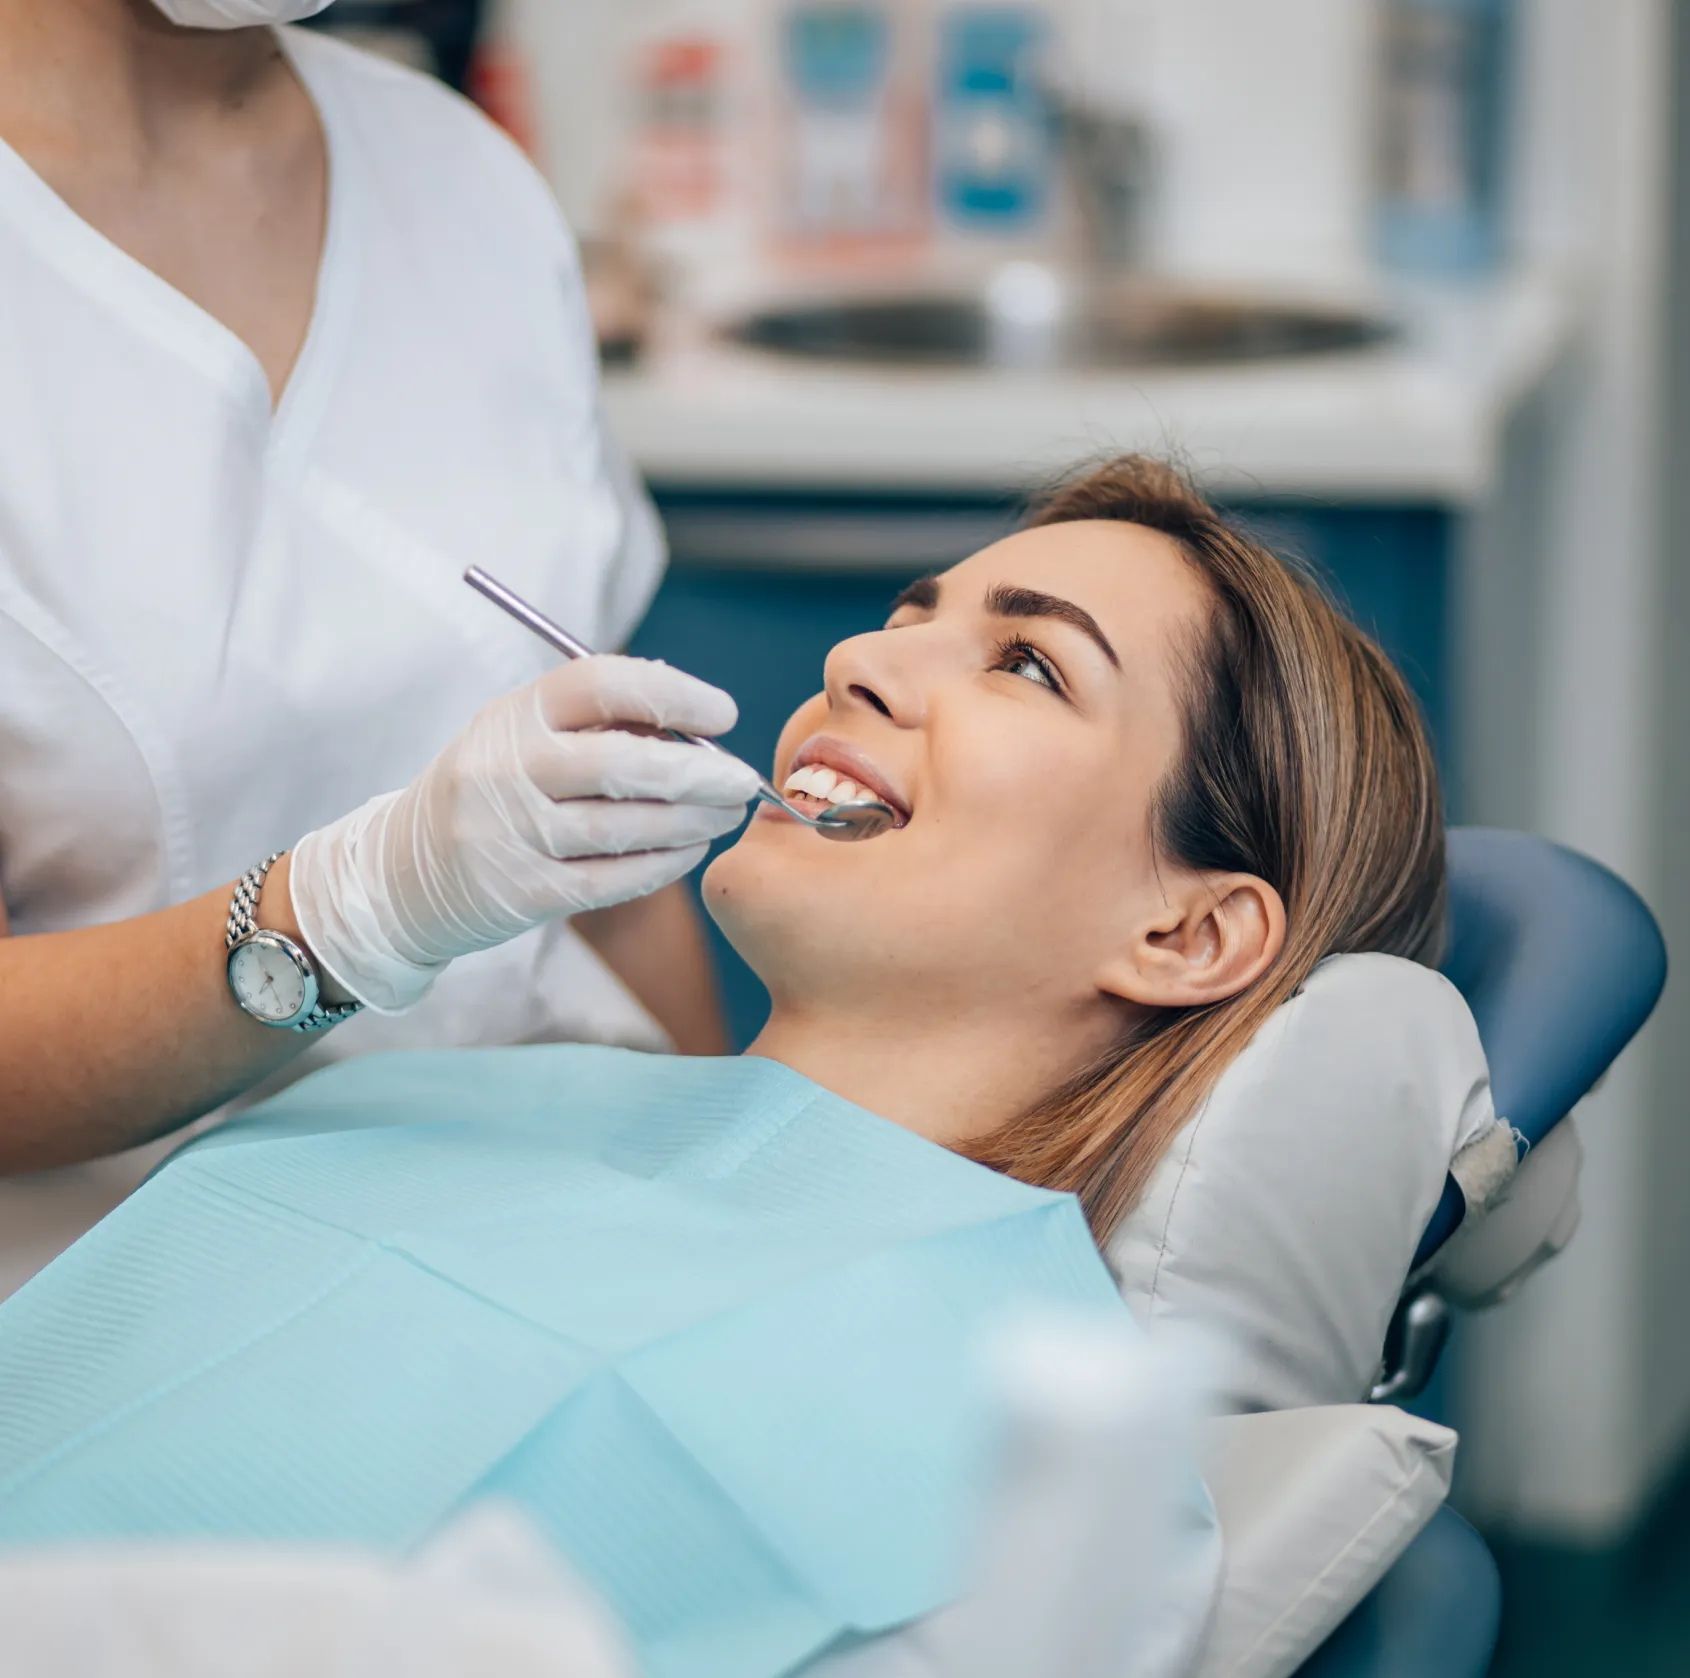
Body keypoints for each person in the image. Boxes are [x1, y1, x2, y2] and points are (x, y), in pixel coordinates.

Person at [0, 458, 1444, 1677]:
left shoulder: (1042, 1486)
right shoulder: (427, 1084)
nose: (858, 662)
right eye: (905, 614)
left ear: (1187, 929)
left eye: (1026, 661)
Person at [0, 0, 762, 1295]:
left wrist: (732, 1236)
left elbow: (620, 875)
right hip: (137, 1346)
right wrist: (346, 917)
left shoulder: (459, 182)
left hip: (547, 1256)